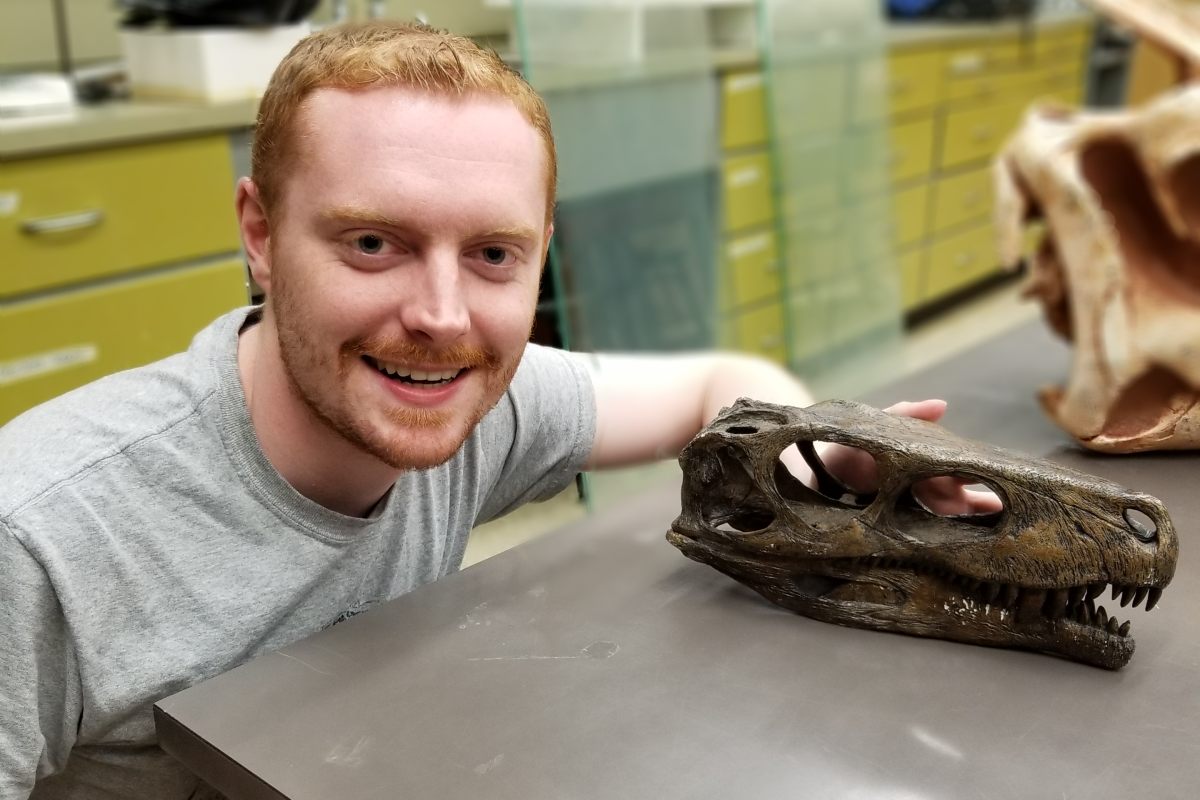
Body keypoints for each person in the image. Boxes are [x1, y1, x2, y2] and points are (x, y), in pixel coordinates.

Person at [0, 21, 992, 799]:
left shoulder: (490, 402)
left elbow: (713, 387)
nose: (441, 318)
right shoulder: (40, 537)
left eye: (492, 255)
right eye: (373, 243)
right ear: (260, 232)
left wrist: (821, 458)